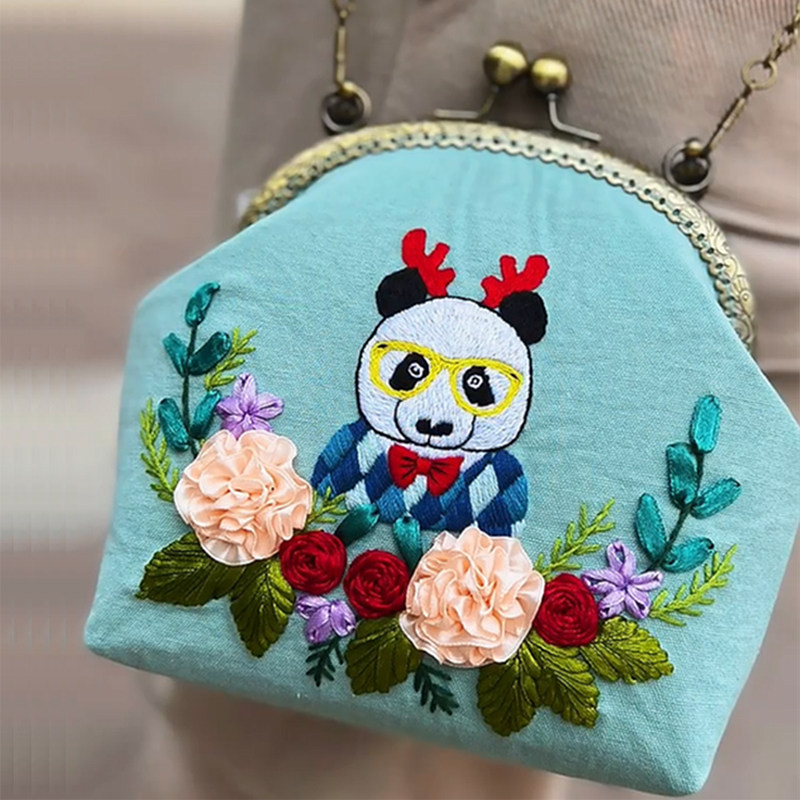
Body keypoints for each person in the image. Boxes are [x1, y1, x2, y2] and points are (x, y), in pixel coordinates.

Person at [156, 2, 800, 797]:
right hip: (358, 73)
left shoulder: (496, 479)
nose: (434, 411)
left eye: (474, 386)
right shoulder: (363, 447)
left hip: (727, 142)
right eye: (412, 374)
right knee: (276, 750)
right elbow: (325, 486)